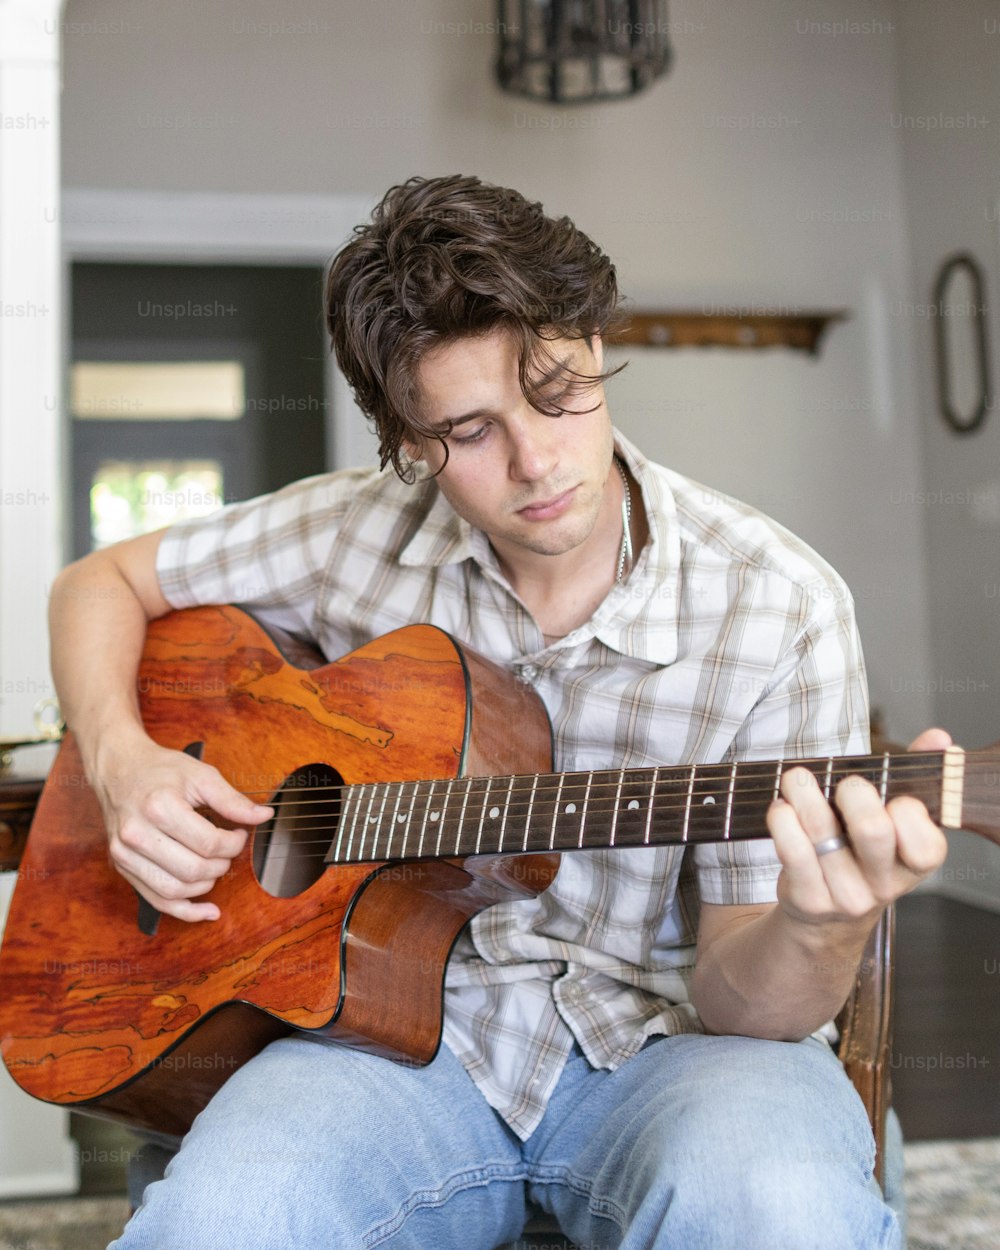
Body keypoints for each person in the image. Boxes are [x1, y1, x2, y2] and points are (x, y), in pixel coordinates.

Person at [49, 175, 948, 1250]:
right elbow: (97, 582)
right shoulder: (348, 532)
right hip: (376, 1046)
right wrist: (121, 760)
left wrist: (821, 921)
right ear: (407, 441)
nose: (536, 462)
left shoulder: (779, 603)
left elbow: (742, 993)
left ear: (594, 340)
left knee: (781, 1211)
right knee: (221, 1220)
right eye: (470, 430)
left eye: (559, 389)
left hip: (680, 1046)